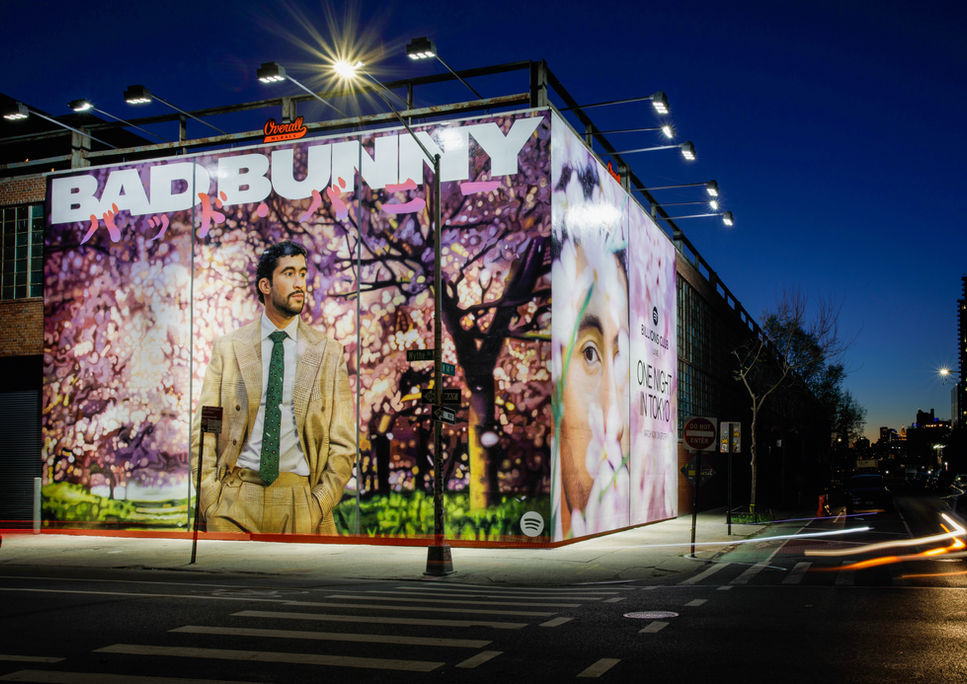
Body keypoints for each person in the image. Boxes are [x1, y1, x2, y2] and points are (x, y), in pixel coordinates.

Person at [191, 239, 355, 534]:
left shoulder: (328, 353)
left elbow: (344, 444)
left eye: (302, 274)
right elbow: (205, 430)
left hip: (300, 502)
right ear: (265, 285)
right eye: (289, 273)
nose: (300, 283)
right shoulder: (228, 349)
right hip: (233, 501)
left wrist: (319, 503)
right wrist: (211, 500)